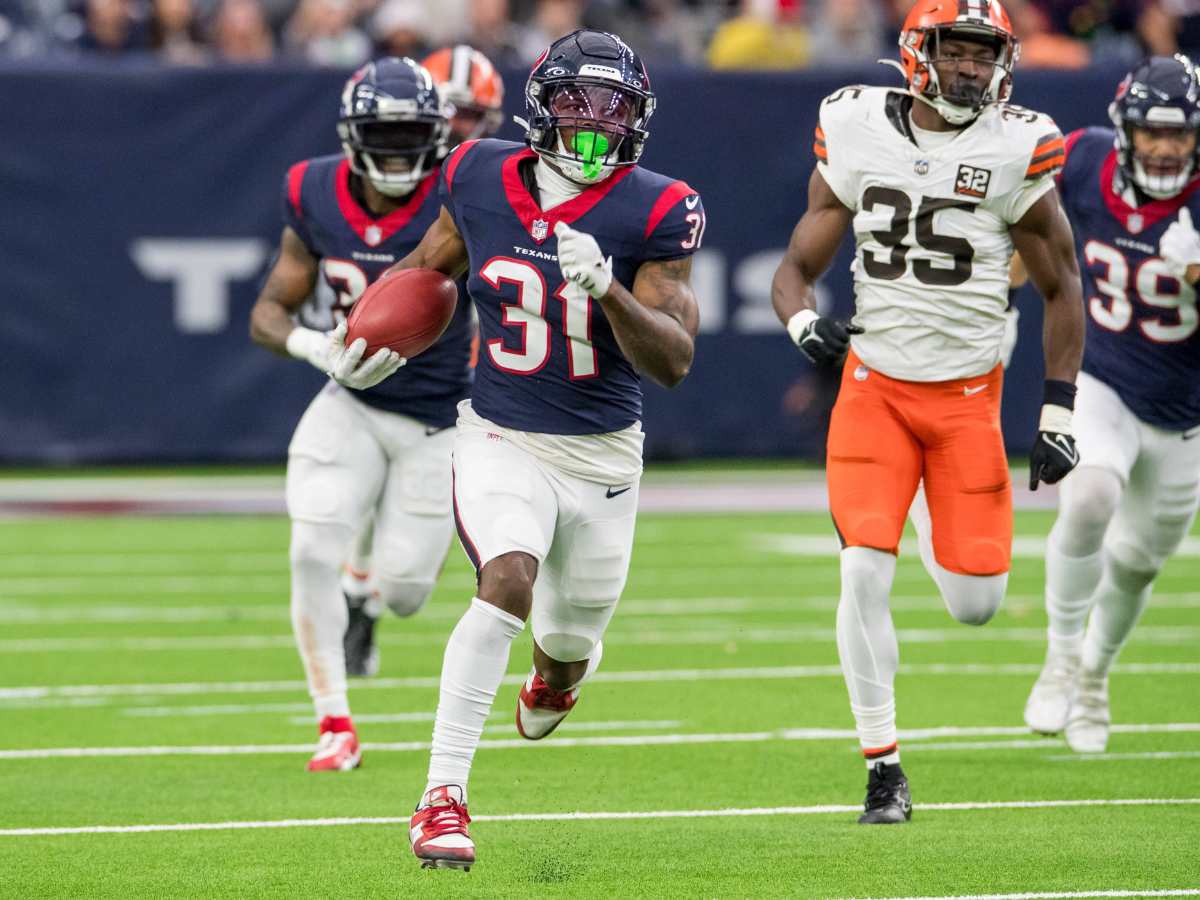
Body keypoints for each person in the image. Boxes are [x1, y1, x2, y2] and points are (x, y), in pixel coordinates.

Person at [385, 29, 705, 869]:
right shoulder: (477, 172)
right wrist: (370, 336)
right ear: (541, 105)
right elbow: (429, 268)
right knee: (507, 581)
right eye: (577, 101)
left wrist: (610, 291)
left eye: (615, 106)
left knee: (567, 644)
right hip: (501, 429)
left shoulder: (658, 207)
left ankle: (554, 678)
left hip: (601, 453)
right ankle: (440, 798)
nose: (596, 122)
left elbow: (673, 361)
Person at [771, 0, 1084, 824]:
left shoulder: (1017, 143)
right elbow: (798, 260)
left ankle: (919, 513)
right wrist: (803, 321)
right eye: (960, 51)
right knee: (861, 571)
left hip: (968, 398)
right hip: (874, 388)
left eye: (987, 55)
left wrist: (1058, 409)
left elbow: (1061, 283)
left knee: (976, 603)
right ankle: (883, 767)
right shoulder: (854, 125)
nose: (974, 69)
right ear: (918, 53)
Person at [248, 57, 474, 772]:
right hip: (351, 398)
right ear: (352, 133)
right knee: (310, 546)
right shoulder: (311, 190)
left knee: (407, 593)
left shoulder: (459, 193)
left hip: (440, 416)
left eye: (413, 136)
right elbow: (267, 311)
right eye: (385, 134)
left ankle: (366, 587)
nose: (400, 151)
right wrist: (317, 345)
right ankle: (335, 724)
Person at [1023, 55, 1200, 753]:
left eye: (1180, 134)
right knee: (1089, 495)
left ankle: (1094, 674)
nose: (1164, 147)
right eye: (1152, 132)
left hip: (1184, 412)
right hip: (1103, 375)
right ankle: (1061, 655)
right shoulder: (1085, 159)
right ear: (1123, 130)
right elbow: (1030, 231)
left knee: (1136, 563)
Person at [340, 45, 505, 677]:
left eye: (475, 115)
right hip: (374, 359)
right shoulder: (378, 171)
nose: (462, 128)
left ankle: (367, 591)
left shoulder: (488, 179)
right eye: (453, 112)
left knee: (408, 585)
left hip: (448, 376)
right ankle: (355, 588)